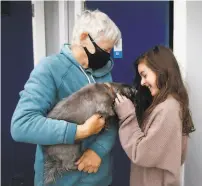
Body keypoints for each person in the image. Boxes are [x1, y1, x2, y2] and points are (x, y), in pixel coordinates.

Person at [11, 9, 121, 186]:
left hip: (99, 177)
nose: (108, 56)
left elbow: (113, 118)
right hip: (61, 180)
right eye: (105, 49)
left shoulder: (104, 73)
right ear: (84, 37)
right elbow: (22, 125)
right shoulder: (49, 69)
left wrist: (97, 151)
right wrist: (80, 132)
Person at [114, 45, 195, 186]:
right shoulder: (171, 105)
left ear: (161, 70)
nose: (142, 82)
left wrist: (127, 116)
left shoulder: (168, 109)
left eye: (144, 75)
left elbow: (141, 153)